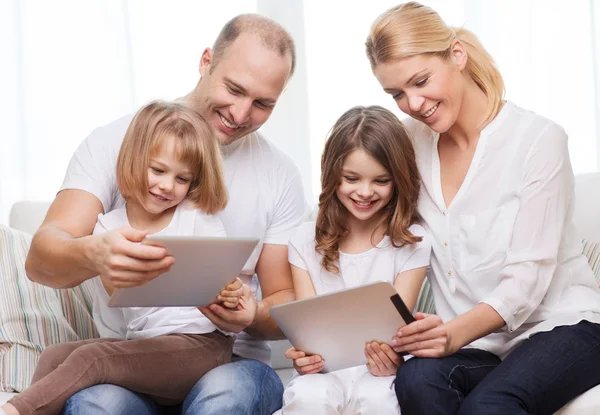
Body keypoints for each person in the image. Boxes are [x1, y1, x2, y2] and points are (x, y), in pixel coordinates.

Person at [24, 14, 306, 415]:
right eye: (234, 89)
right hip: (131, 360)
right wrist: (95, 255)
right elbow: (41, 261)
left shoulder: (279, 174)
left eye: (262, 104)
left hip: (228, 360)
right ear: (206, 60)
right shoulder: (116, 143)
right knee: (95, 404)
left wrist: (251, 313)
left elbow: (283, 302)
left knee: (226, 397)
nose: (241, 114)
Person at [364, 2, 600, 414]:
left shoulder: (537, 140)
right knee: (416, 378)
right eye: (397, 94)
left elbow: (527, 282)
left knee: (489, 404)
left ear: (457, 55)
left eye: (420, 81)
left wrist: (451, 335)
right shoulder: (409, 144)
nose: (414, 103)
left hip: (562, 327)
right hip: (480, 344)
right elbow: (379, 238)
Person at [1, 100, 248, 415]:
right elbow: (119, 308)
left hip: (202, 346)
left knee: (92, 359)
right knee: (54, 355)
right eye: (157, 170)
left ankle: (14, 411)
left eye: (181, 179)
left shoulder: (197, 218)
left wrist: (233, 295)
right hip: (145, 347)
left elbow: (223, 282)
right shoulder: (108, 227)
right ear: (134, 160)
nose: (166, 186)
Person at [278, 106, 431, 415]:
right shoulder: (304, 239)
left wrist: (391, 358)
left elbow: (396, 332)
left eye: (381, 180)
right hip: (323, 372)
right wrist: (305, 357)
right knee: (309, 397)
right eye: (351, 178)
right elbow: (308, 333)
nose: (364, 192)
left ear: (398, 179)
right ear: (333, 175)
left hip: (380, 371)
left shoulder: (413, 241)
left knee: (378, 401)